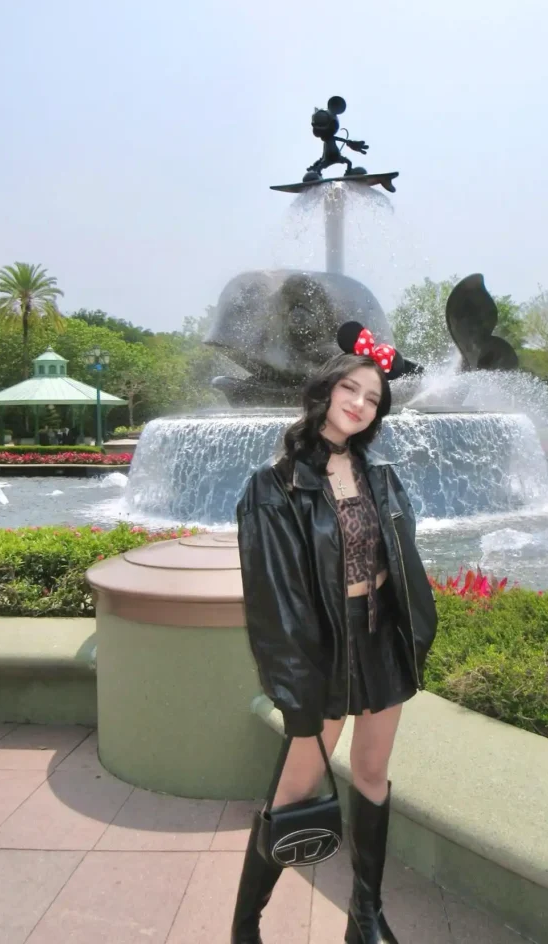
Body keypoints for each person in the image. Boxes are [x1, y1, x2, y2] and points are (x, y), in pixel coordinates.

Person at [233, 322, 438, 944]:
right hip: (320, 649)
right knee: (294, 791)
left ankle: (366, 916)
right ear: (324, 393)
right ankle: (246, 926)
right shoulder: (274, 487)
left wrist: (416, 635)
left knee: (373, 775)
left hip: (380, 642)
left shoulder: (382, 477)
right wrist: (295, 690)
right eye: (350, 389)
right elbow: (274, 602)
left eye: (372, 398)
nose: (359, 403)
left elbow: (403, 565)